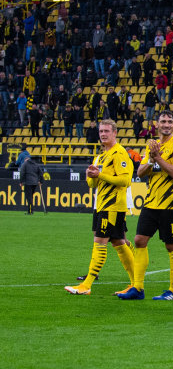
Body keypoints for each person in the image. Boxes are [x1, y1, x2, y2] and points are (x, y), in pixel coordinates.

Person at [64, 120, 136, 295]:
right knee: (119, 242)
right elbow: (92, 184)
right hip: (102, 205)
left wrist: (100, 174)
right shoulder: (101, 156)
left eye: (106, 131)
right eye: (101, 131)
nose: (103, 134)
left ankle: (86, 285)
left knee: (99, 242)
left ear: (115, 133)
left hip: (112, 206)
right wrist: (90, 176)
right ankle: (136, 284)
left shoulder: (119, 153)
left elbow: (125, 181)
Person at [127, 111, 173, 300]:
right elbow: (140, 172)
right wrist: (151, 158)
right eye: (163, 121)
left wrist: (158, 157)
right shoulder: (151, 145)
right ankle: (138, 288)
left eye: (170, 121)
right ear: (157, 124)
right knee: (139, 240)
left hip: (171, 205)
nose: (167, 124)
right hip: (151, 203)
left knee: (172, 245)